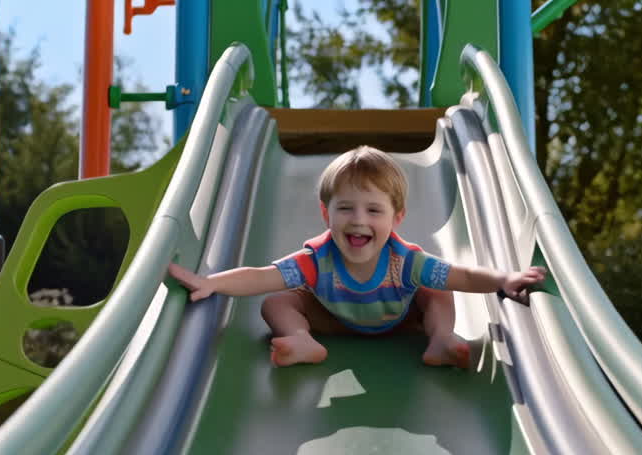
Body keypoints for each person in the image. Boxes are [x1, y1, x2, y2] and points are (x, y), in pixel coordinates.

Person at [167, 145, 546, 368]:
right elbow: (260, 276)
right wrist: (210, 283)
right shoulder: (317, 260)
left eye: (373, 211)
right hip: (333, 321)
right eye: (345, 209)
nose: (358, 220)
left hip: (400, 322)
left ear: (396, 219)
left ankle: (441, 340)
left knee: (437, 290)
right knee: (277, 301)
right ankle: (301, 341)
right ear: (325, 214)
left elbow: (461, 276)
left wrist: (502, 280)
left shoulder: (405, 262)